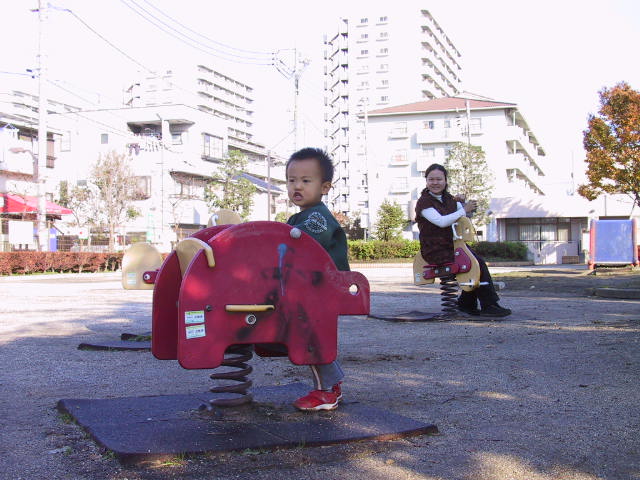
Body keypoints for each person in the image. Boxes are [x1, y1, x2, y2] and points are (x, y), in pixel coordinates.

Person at [285, 147, 348, 411]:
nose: (297, 186)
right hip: (311, 289)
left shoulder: (317, 219)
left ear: (324, 187)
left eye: (305, 181)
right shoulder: (300, 216)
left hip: (324, 291)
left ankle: (328, 391)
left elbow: (295, 242)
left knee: (311, 336)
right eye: (291, 180)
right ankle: (328, 387)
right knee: (304, 334)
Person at [415, 163, 511, 317]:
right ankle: (487, 304)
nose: (435, 183)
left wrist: (464, 205)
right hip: (435, 249)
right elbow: (441, 222)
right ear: (426, 181)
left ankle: (468, 303)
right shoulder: (424, 202)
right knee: (475, 263)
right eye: (431, 179)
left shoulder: (448, 199)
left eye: (439, 179)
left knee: (477, 263)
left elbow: (466, 215)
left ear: (445, 180)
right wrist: (462, 209)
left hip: (451, 245)